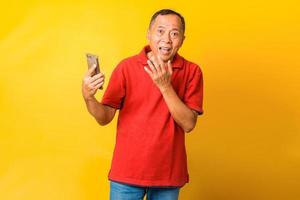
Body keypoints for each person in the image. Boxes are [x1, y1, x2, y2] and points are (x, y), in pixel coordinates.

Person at [82, 9, 204, 200]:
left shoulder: (192, 71)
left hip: (168, 176)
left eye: (174, 33)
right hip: (126, 175)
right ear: (148, 34)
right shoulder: (126, 68)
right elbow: (104, 117)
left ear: (182, 39)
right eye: (160, 31)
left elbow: (189, 124)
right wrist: (89, 97)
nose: (167, 39)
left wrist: (165, 86)